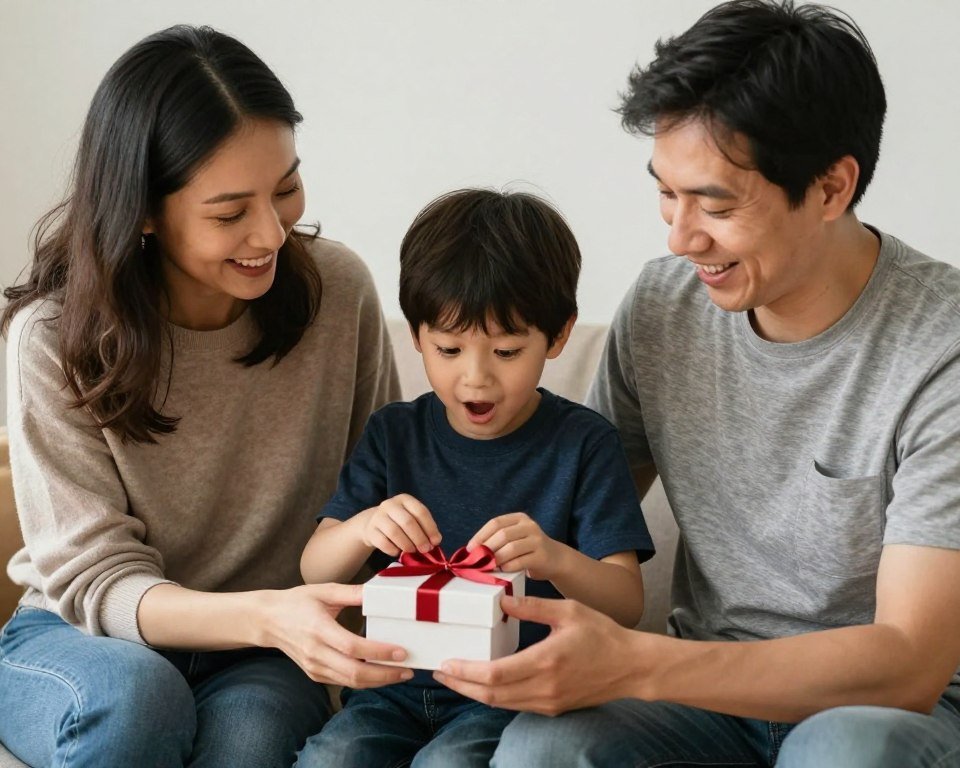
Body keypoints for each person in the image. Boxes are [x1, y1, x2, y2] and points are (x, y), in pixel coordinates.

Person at [434, 3, 960, 767]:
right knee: (542, 752)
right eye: (666, 193)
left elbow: (910, 663)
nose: (681, 238)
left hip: (880, 710)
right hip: (702, 698)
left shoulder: (940, 349)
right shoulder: (664, 306)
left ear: (830, 188)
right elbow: (571, 505)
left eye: (714, 203)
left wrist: (638, 663)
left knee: (847, 752)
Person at [0, 25, 413, 768]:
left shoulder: (338, 293)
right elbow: (95, 581)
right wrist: (269, 616)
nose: (271, 232)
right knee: (137, 701)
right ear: (145, 210)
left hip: (261, 653)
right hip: (81, 640)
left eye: (285, 188)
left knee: (252, 741)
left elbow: (376, 492)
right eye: (230, 213)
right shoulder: (51, 339)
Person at [295, 188, 655, 767]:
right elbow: (314, 568)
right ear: (416, 337)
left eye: (508, 351)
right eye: (449, 348)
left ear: (558, 335)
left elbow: (626, 604)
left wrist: (553, 558)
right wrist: (363, 527)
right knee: (329, 760)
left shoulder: (584, 444)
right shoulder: (395, 434)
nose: (476, 379)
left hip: (513, 697)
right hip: (392, 688)